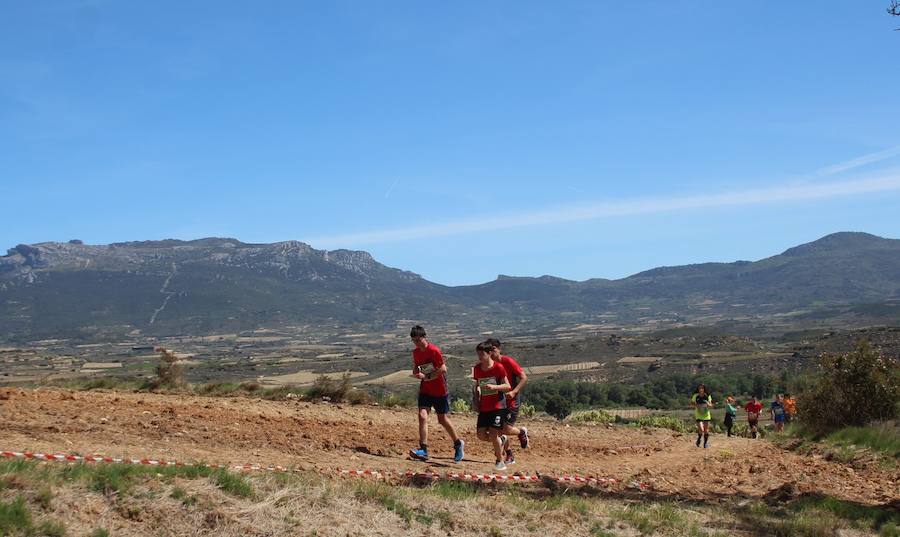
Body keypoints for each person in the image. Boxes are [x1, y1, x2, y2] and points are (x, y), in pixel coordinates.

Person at [407, 325, 465, 463]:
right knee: (422, 416)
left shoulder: (434, 350)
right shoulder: (415, 353)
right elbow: (417, 366)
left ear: (424, 337)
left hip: (439, 390)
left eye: (418, 339)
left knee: (442, 419)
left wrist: (428, 377)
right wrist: (416, 372)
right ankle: (423, 450)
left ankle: (458, 443)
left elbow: (443, 369)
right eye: (414, 340)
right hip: (425, 390)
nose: (416, 343)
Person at [485, 338, 530, 465]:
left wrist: (514, 392)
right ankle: (509, 454)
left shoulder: (508, 361)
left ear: (499, 349)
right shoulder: (489, 365)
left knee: (505, 429)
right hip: (497, 401)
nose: (491, 353)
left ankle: (521, 432)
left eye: (493, 349)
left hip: (511, 400)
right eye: (489, 350)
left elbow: (524, 377)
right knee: (496, 430)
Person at [471, 342, 511, 471]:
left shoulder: (498, 368)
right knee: (481, 435)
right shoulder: (477, 369)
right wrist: (476, 400)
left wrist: (495, 387)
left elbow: (507, 386)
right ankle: (501, 440)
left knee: (493, 434)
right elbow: (476, 385)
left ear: (489, 354)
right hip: (484, 407)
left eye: (482, 354)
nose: (479, 357)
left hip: (498, 406)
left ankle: (500, 461)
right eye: (478, 354)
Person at [691, 384, 714, 448]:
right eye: (699, 388)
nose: (701, 389)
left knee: (706, 430)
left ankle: (705, 443)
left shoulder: (708, 395)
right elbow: (692, 404)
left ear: (704, 389)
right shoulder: (695, 396)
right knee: (701, 429)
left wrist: (707, 403)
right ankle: (699, 439)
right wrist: (696, 405)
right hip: (698, 414)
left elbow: (711, 405)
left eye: (702, 388)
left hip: (706, 414)